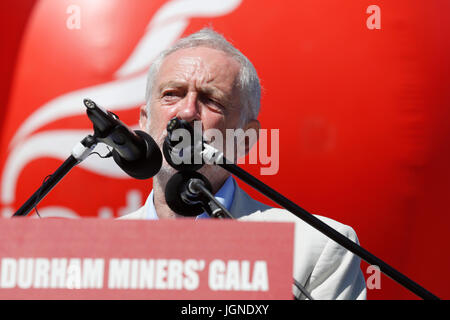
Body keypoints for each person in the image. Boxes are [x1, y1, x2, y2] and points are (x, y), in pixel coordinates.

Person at [121, 28, 367, 300]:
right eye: (172, 94)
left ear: (246, 139)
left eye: (212, 100)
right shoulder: (93, 254)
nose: (188, 111)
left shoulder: (319, 247)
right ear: (144, 121)